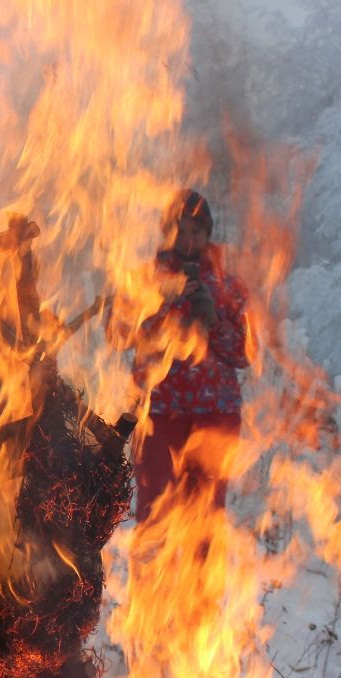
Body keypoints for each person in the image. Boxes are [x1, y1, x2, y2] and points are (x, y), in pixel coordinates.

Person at [133, 189, 251, 522]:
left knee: (206, 517)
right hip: (159, 411)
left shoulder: (227, 284)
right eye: (179, 230)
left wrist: (214, 324)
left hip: (215, 414)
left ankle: (202, 577)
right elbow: (119, 335)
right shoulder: (146, 280)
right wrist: (162, 310)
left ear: (207, 234)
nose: (187, 239)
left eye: (195, 231)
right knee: (155, 515)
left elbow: (244, 354)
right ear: (166, 231)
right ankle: (153, 577)